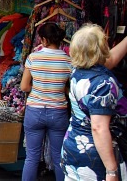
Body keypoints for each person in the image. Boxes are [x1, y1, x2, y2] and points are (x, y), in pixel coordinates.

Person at [61, 24, 126, 180]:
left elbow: (110, 61)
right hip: (95, 157)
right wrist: (111, 170)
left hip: (73, 147)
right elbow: (98, 128)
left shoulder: (78, 70)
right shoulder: (103, 84)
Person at [20, 23, 71, 181]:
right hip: (58, 113)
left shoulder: (33, 57)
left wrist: (40, 85)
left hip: (34, 112)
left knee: (32, 157)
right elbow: (69, 90)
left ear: (43, 39)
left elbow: (24, 86)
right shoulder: (68, 60)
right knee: (58, 157)